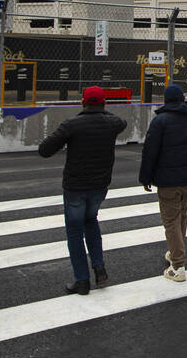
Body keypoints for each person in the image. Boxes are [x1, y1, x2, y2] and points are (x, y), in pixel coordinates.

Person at [38, 86, 127, 295]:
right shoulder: (112, 123)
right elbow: (121, 121)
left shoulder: (72, 125)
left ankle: (82, 280)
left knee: (75, 231)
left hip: (76, 186)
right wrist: (102, 113)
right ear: (104, 103)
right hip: (100, 185)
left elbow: (45, 150)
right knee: (91, 221)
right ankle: (99, 266)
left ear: (83, 103)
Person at [140, 84, 187, 282]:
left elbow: (150, 152)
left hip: (167, 179)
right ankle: (175, 251)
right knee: (181, 214)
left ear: (165, 100)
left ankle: (177, 265)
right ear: (183, 99)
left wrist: (145, 178)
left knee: (171, 220)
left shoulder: (160, 121)